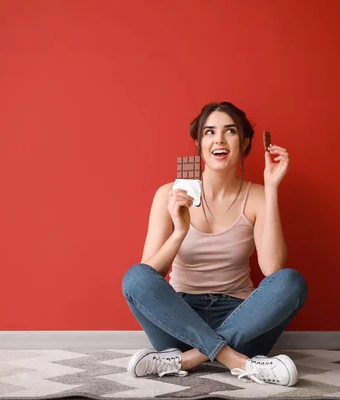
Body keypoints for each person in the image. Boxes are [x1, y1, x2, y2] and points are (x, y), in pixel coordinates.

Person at [121, 101, 308, 386]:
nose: (219, 139)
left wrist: (271, 188)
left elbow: (272, 268)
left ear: (244, 142)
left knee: (291, 281)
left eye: (229, 131)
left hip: (242, 319)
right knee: (134, 277)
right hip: (180, 319)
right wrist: (179, 231)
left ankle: (188, 360)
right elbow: (149, 275)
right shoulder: (169, 194)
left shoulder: (257, 196)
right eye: (209, 132)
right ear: (198, 143)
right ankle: (238, 362)